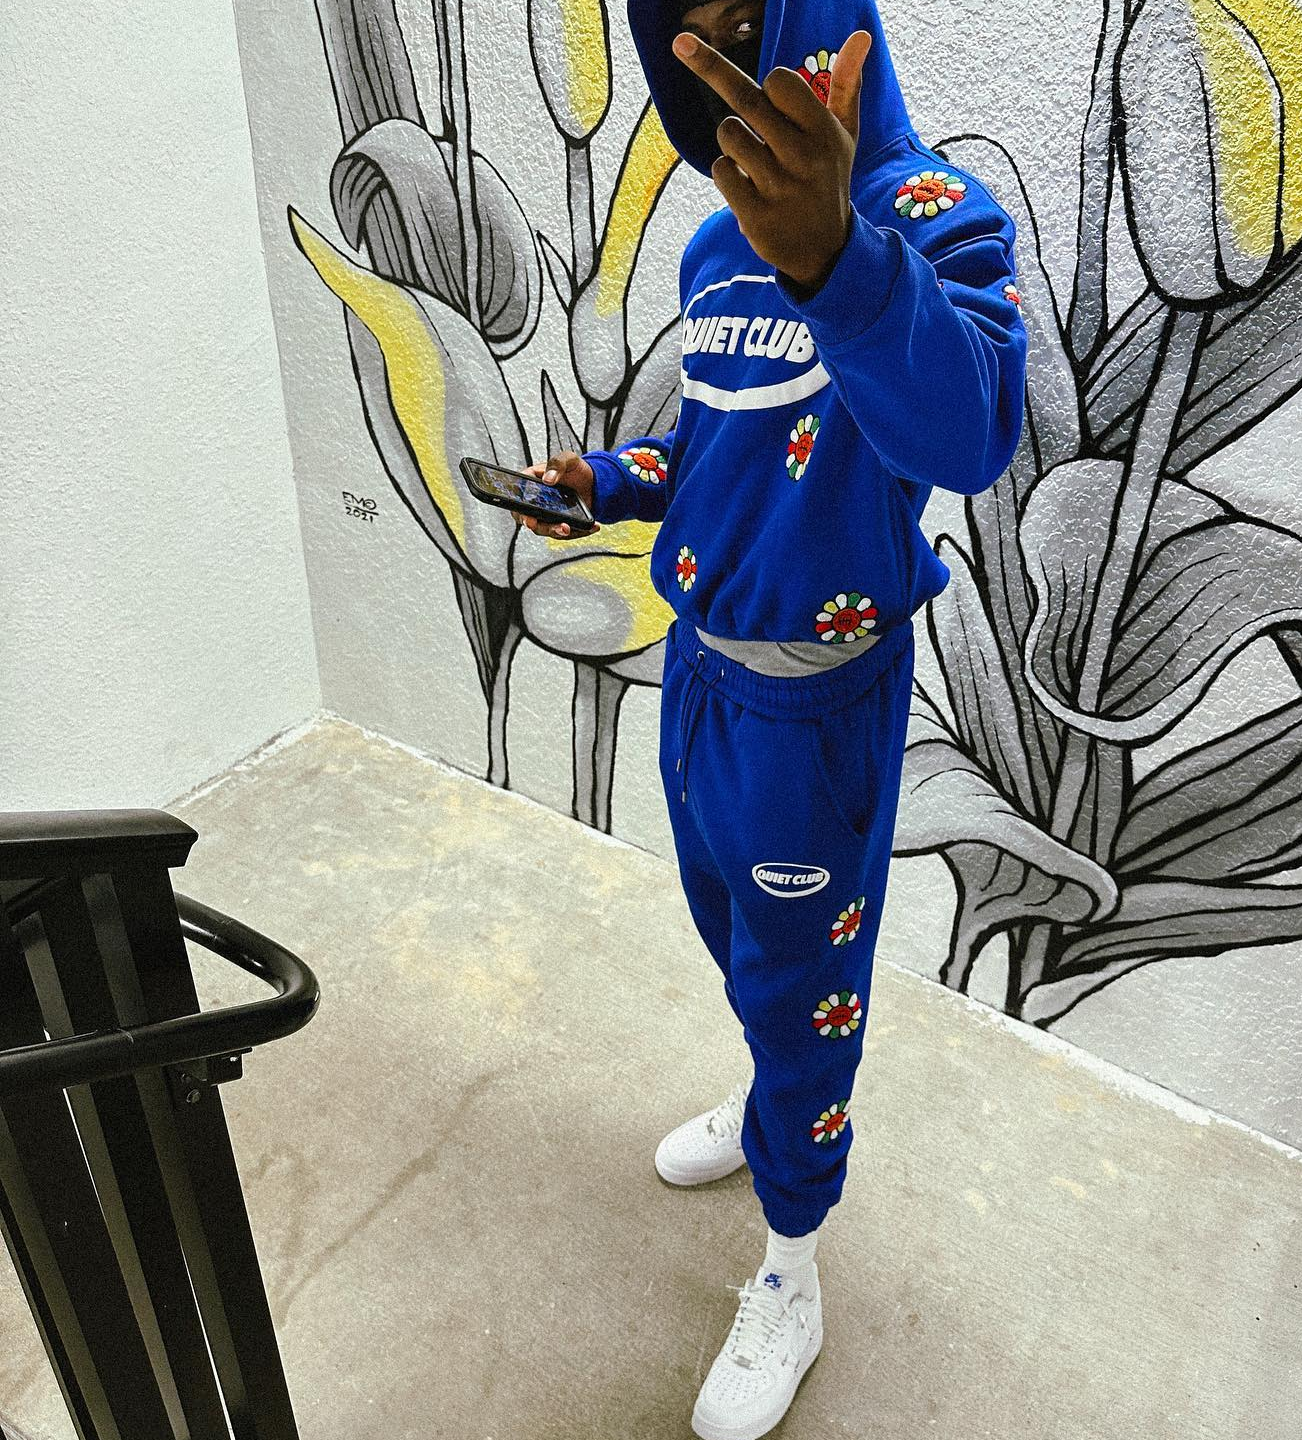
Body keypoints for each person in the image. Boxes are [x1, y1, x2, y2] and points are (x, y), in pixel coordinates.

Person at [513, 0, 1027, 1431]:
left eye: (750, 20)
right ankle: (764, 1110)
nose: (728, 68)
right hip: (699, 682)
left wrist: (838, 259)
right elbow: (716, 444)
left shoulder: (933, 216)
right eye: (692, 39)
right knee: (740, 946)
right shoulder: (712, 244)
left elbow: (974, 431)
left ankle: (792, 1261)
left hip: (815, 712)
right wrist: (611, 481)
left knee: (806, 994)